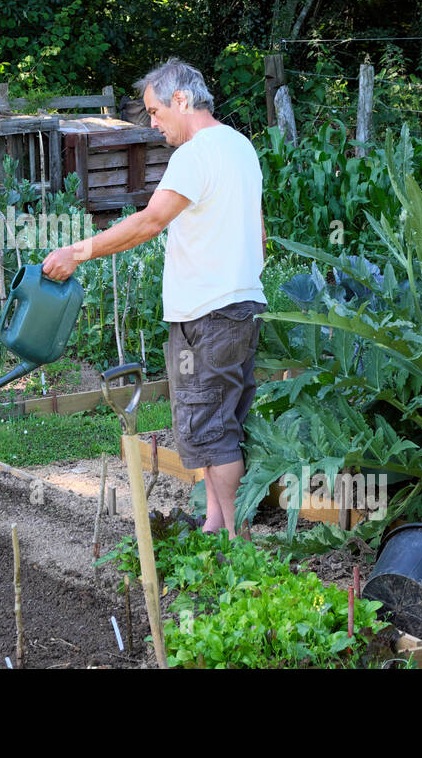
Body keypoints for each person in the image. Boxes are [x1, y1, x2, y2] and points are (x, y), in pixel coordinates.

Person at [41, 58, 267, 537]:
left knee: (209, 426)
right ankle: (213, 523)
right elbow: (260, 233)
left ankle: (235, 539)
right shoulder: (241, 147)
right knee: (221, 418)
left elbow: (148, 222)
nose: (152, 123)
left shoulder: (195, 154)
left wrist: (78, 252)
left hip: (208, 314)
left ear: (181, 101)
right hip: (242, 308)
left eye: (155, 111)